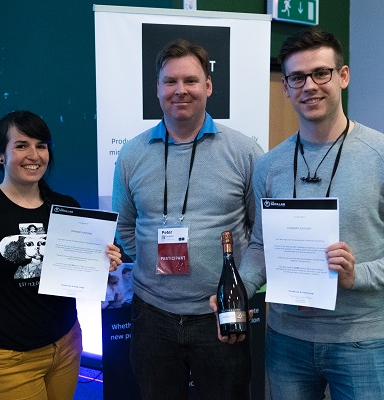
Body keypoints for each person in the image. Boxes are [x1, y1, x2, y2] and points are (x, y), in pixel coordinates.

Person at [237, 28, 384, 399]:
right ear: (286, 87)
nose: (309, 86)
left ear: (343, 76)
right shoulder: (269, 166)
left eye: (321, 73)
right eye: (297, 77)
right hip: (285, 339)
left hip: (359, 340)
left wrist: (356, 275)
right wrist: (240, 287)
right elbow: (260, 246)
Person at [0, 110, 122, 400]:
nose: (34, 155)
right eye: (21, 145)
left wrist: (102, 265)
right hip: (7, 358)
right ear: (0, 155)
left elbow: (80, 276)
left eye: (41, 145)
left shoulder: (65, 206)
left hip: (65, 345)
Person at [112, 39, 264, 400]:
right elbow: (126, 226)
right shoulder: (133, 153)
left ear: (208, 86)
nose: (180, 90)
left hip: (219, 317)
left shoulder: (244, 152)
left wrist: (240, 289)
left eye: (191, 81)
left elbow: (262, 233)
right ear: (158, 89)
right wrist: (153, 259)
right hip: (152, 317)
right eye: (170, 81)